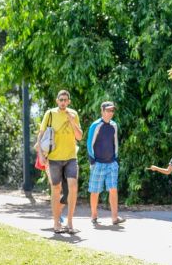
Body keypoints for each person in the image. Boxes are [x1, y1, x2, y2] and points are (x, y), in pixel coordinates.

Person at [36, 90, 83, 234]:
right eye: (61, 99)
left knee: (73, 187)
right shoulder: (49, 114)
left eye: (65, 100)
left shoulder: (73, 114)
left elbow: (79, 137)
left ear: (68, 101)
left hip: (70, 157)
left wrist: (72, 121)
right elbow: (41, 135)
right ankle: (56, 223)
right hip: (54, 158)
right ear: (57, 101)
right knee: (56, 190)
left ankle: (69, 223)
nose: (63, 102)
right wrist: (41, 155)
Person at [87, 101, 124, 226]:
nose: (110, 113)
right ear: (102, 111)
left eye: (112, 111)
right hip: (98, 163)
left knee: (113, 189)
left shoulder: (114, 125)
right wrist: (93, 162)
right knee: (95, 191)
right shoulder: (96, 125)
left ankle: (114, 218)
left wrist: (116, 159)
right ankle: (94, 215)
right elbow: (89, 144)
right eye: (108, 110)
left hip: (112, 163)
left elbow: (115, 143)